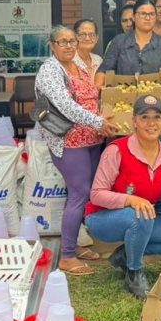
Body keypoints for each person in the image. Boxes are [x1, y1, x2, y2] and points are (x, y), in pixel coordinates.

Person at [84, 95, 161, 298]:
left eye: (157, 117)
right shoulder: (116, 150)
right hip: (102, 218)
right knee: (142, 214)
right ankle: (134, 273)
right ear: (134, 122)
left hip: (141, 218)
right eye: (144, 117)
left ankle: (126, 255)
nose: (151, 123)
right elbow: (96, 194)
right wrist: (130, 200)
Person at [34, 26, 116, 275]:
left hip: (91, 138)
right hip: (69, 141)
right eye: (62, 42)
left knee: (85, 192)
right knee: (78, 193)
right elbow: (66, 106)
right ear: (52, 45)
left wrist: (103, 119)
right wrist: (98, 122)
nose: (69, 46)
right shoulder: (50, 70)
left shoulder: (77, 66)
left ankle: (75, 244)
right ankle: (67, 256)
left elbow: (91, 97)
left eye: (72, 41)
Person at [97, 0, 161, 111]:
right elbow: (104, 69)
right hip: (124, 104)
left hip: (155, 105)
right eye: (143, 14)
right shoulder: (119, 42)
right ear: (134, 17)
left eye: (152, 14)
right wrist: (98, 87)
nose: (148, 18)